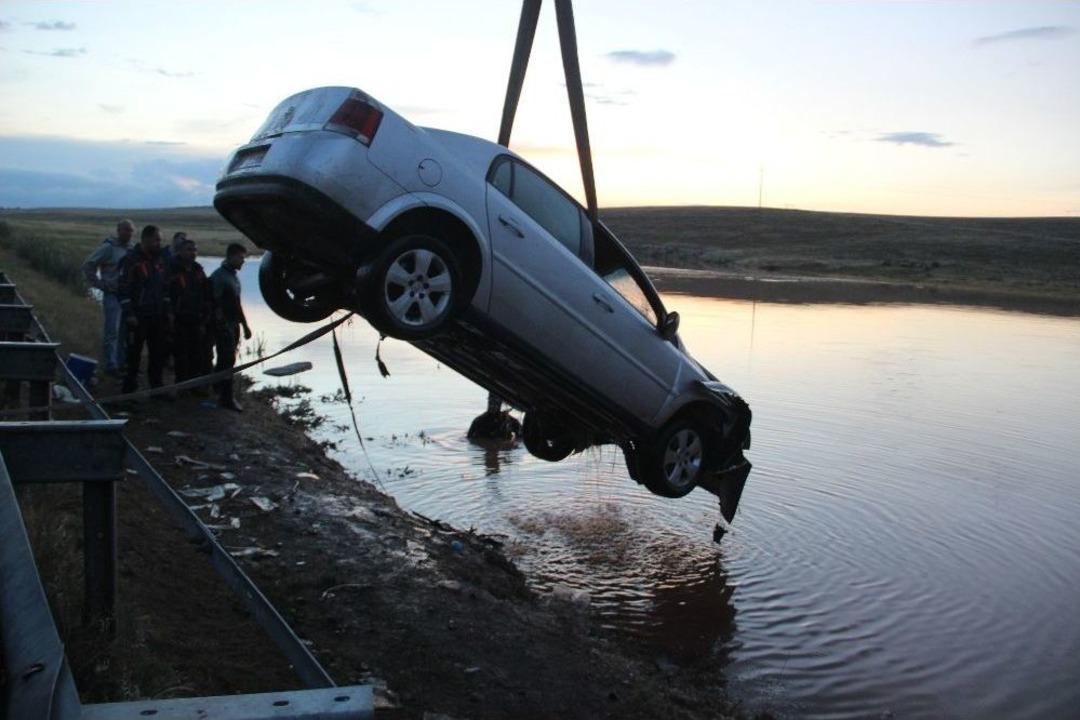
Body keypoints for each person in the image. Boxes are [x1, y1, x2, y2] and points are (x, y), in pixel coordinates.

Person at [119, 225, 172, 395]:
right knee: (133, 357)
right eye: (157, 239)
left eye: (160, 240)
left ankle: (157, 389)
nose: (159, 243)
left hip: (156, 316)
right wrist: (129, 314)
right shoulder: (131, 260)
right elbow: (123, 288)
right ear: (146, 239)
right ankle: (128, 393)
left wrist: (167, 310)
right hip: (138, 317)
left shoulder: (158, 260)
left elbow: (164, 287)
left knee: (157, 354)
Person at [81, 219, 134, 376]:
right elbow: (88, 265)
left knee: (125, 331)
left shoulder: (131, 249)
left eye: (131, 230)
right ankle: (111, 365)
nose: (128, 233)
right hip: (113, 294)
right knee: (112, 331)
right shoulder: (109, 248)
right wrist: (99, 284)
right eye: (125, 230)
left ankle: (121, 362)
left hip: (128, 296)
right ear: (118, 231)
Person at [210, 243, 252, 411]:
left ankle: (220, 391)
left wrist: (245, 325)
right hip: (223, 325)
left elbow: (237, 303)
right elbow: (213, 303)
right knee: (226, 360)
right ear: (231, 256)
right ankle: (226, 398)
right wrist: (221, 325)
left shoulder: (233, 276)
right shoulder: (219, 276)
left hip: (233, 324)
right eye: (241, 257)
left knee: (229, 359)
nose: (243, 261)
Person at [167, 238, 212, 387]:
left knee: (196, 353)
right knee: (180, 354)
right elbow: (165, 293)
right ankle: (180, 385)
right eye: (189, 250)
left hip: (196, 318)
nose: (193, 253)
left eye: (194, 250)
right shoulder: (172, 269)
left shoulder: (198, 269)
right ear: (180, 251)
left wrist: (206, 314)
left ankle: (194, 385)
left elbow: (207, 292)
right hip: (178, 318)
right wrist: (170, 315)